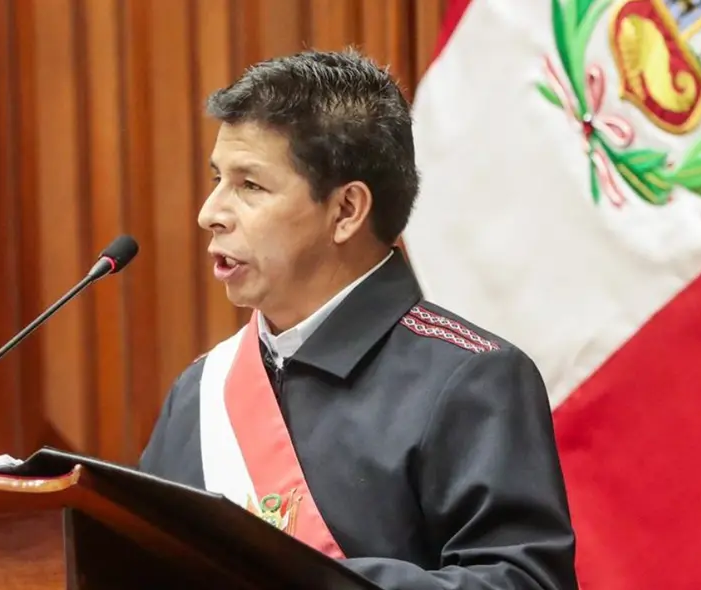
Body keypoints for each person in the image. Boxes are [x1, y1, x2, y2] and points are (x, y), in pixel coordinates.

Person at [138, 49, 578, 590]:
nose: (210, 213)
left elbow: (524, 581)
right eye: (217, 179)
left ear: (346, 211)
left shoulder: (472, 379)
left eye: (250, 185)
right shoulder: (200, 390)